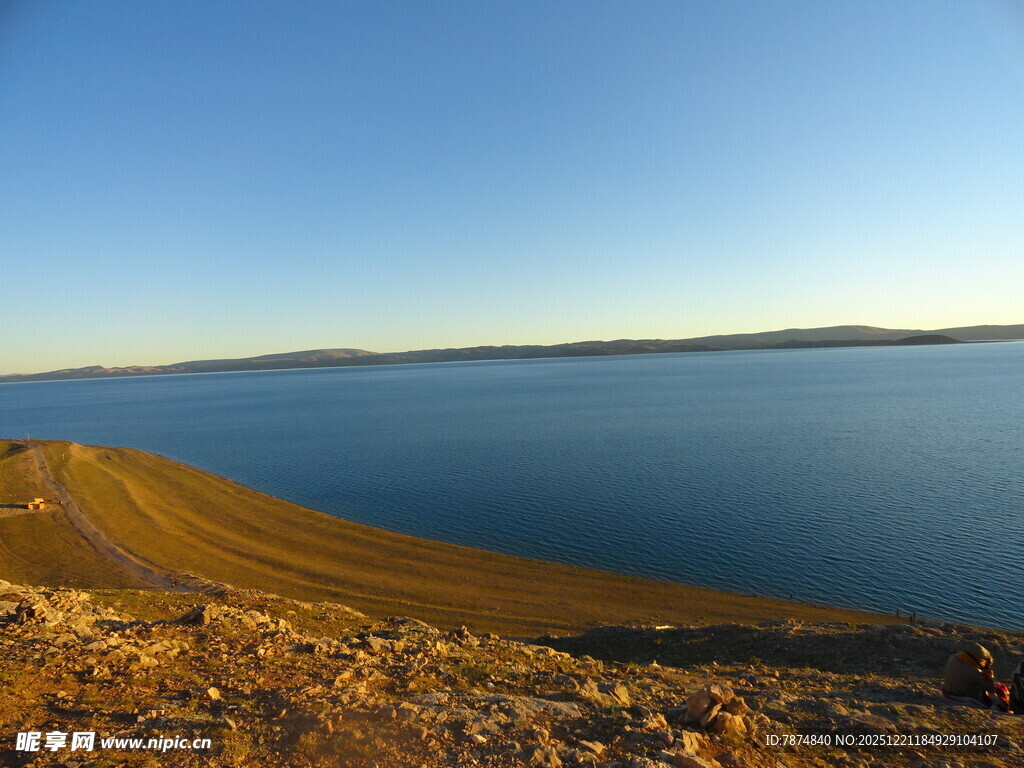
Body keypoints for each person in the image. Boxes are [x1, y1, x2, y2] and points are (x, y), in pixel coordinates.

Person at [942, 643, 1011, 712]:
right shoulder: (974, 672)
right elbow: (990, 689)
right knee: (999, 691)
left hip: (948, 690)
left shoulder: (954, 658)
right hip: (961, 694)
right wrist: (987, 671)